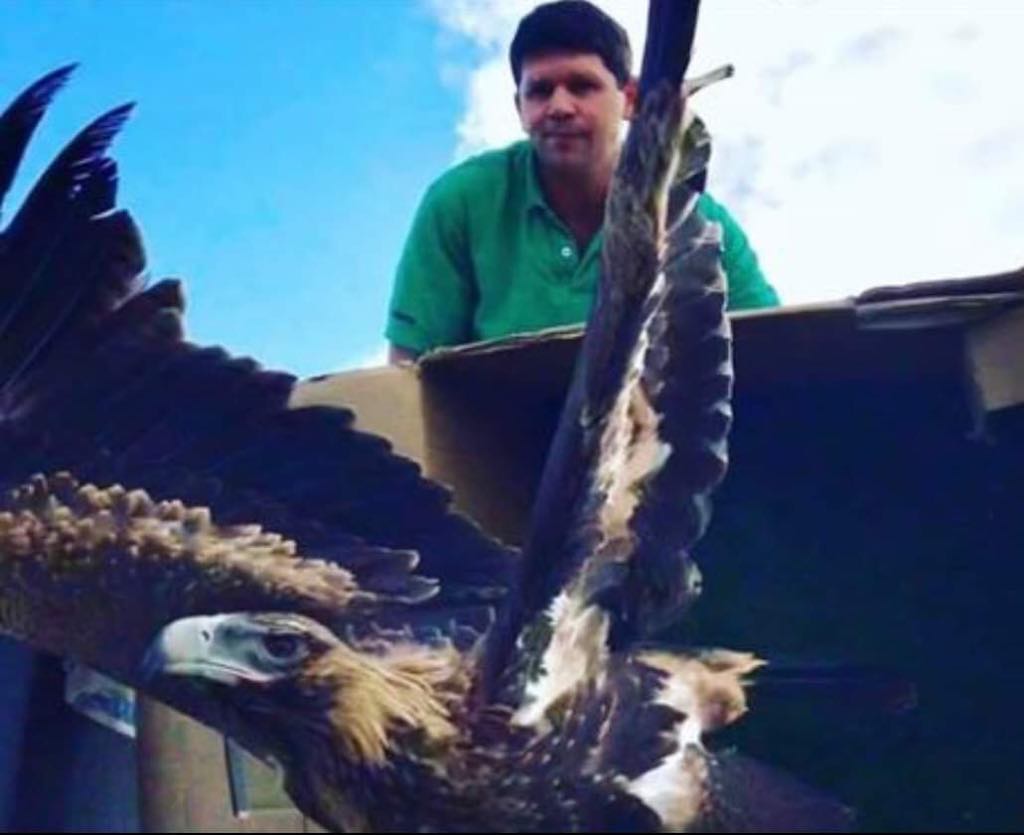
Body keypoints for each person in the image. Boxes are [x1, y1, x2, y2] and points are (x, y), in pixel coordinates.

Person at [386, 0, 778, 364]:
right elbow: (406, 373)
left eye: (582, 86)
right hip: (484, 418)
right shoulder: (461, 202)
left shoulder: (699, 223)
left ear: (629, 99)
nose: (559, 107)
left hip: (652, 416)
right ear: (520, 108)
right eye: (540, 91)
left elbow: (777, 353)